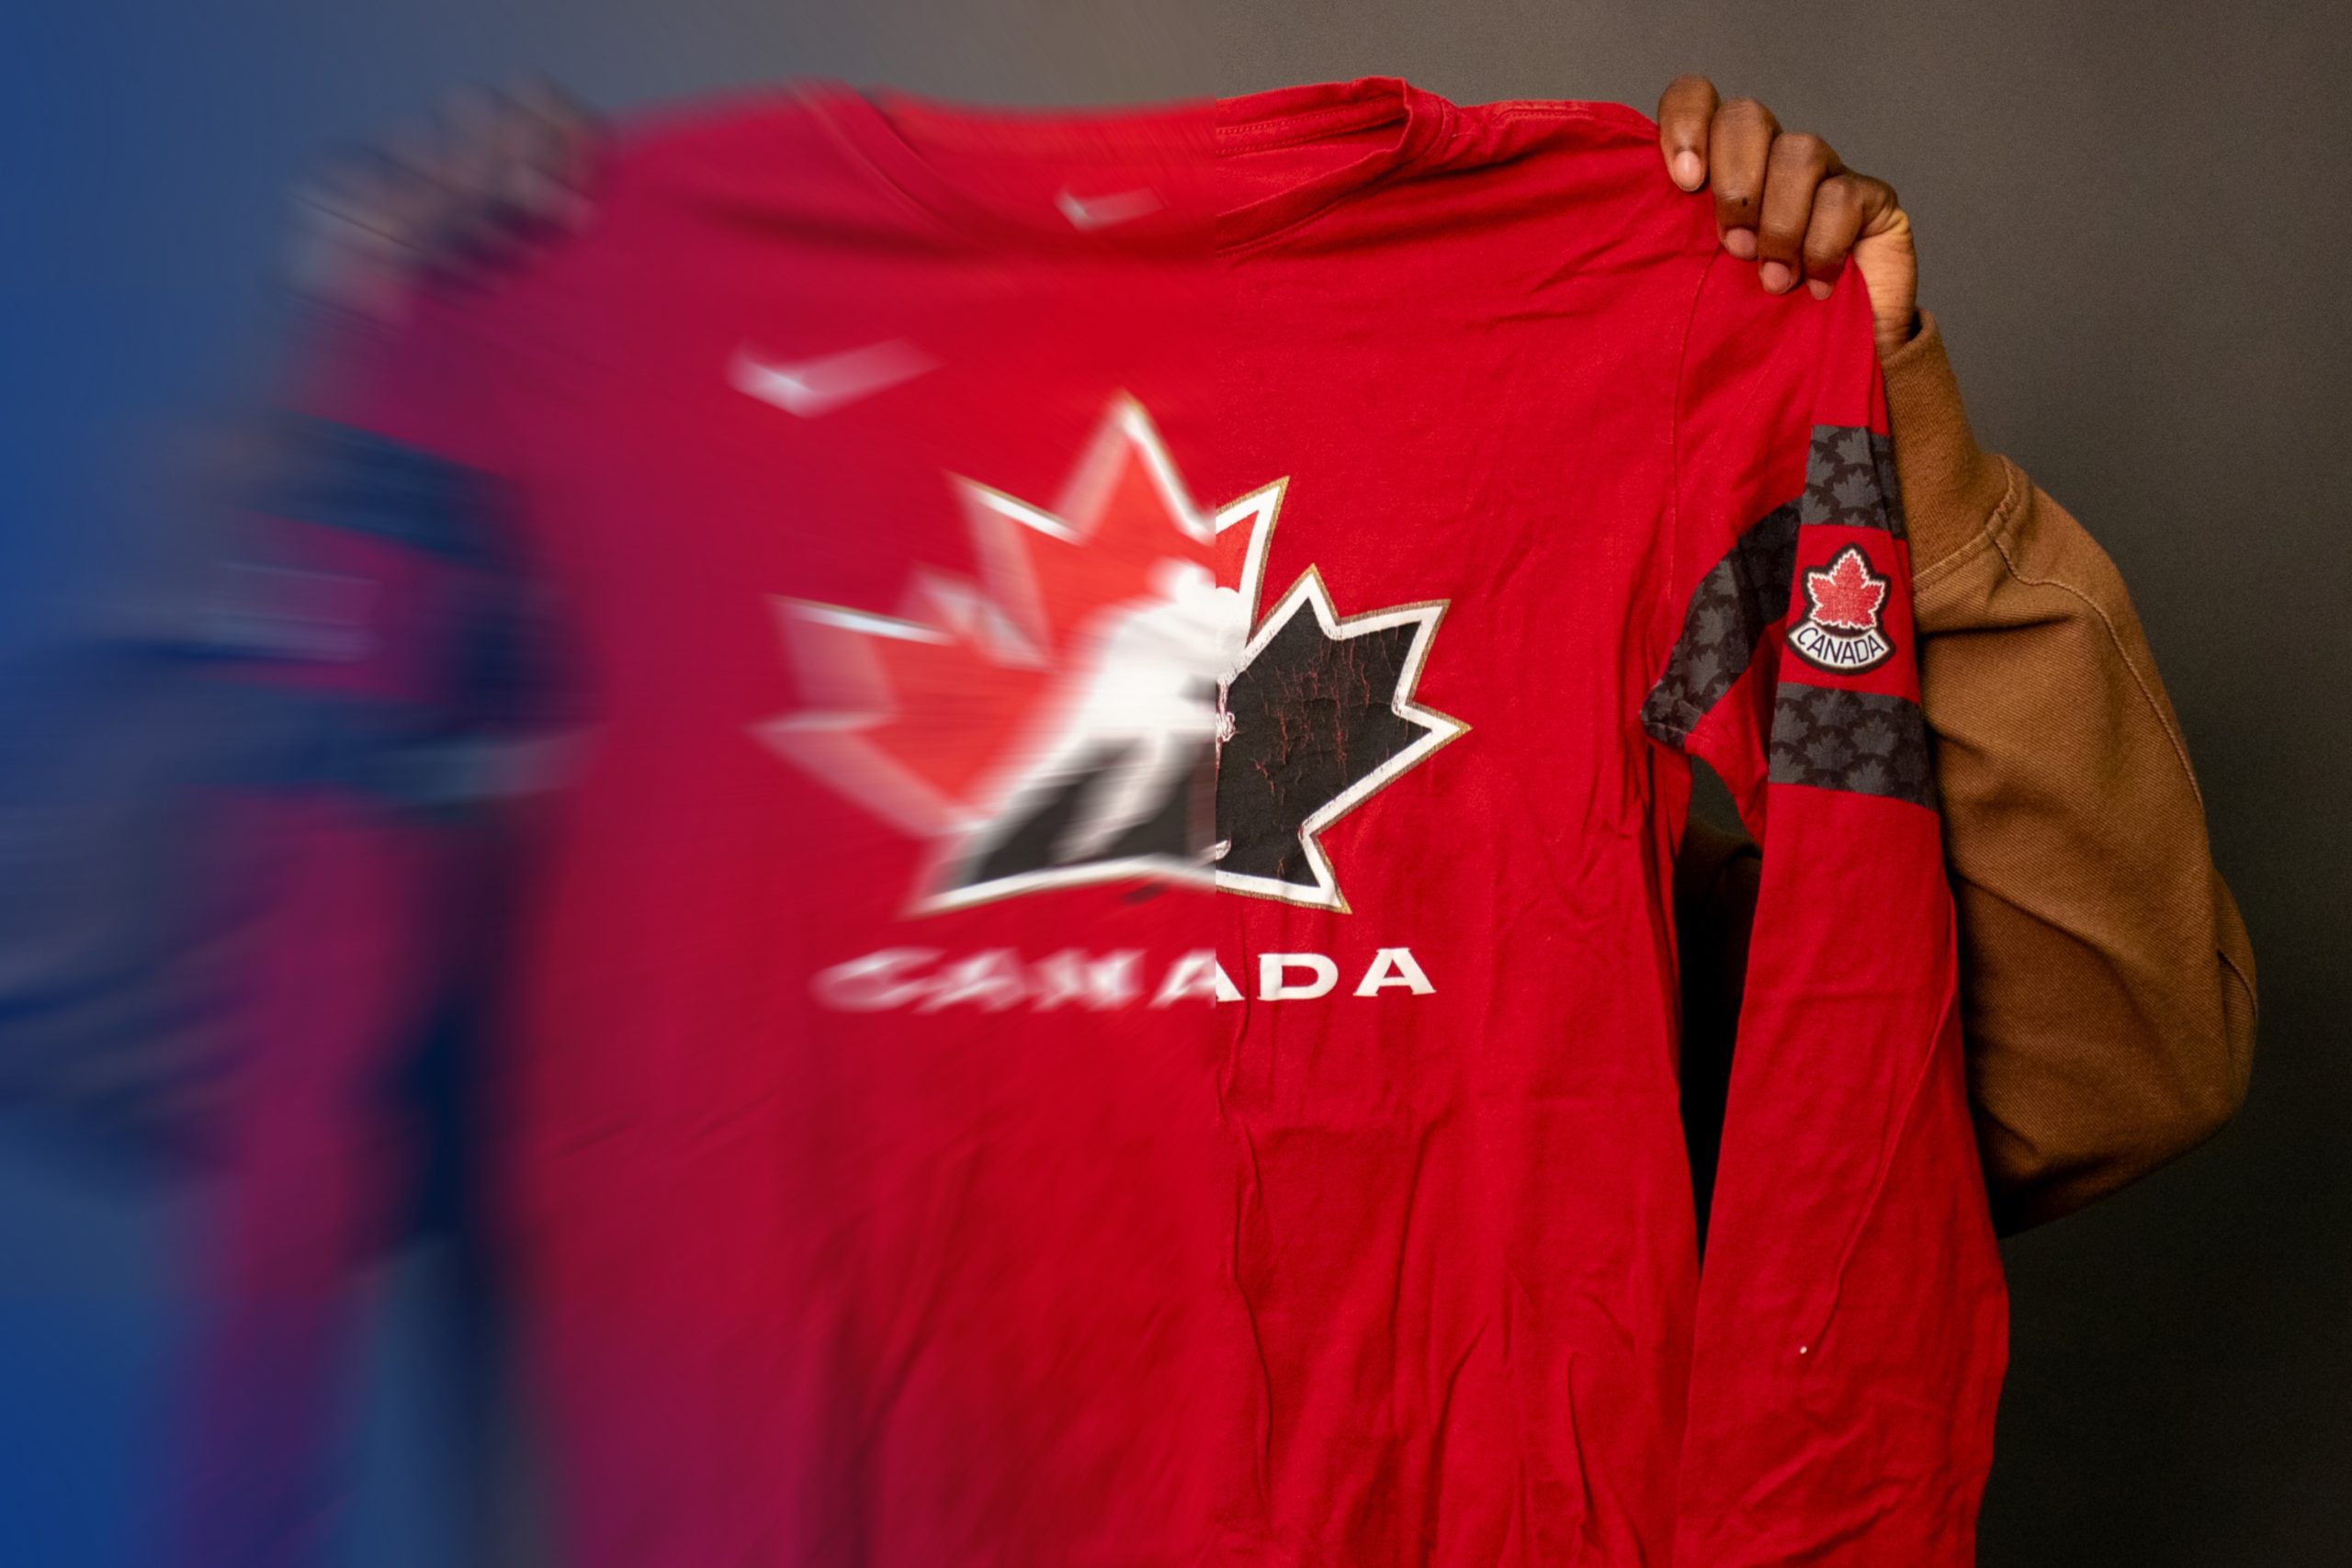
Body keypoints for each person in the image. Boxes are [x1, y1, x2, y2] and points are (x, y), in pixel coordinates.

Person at [286, 74, 2255, 1239]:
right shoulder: (656, 529)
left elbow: (2094, 1066)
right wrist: (368, 477)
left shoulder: (1603, 446)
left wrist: (1869, 468)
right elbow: (245, 1063)